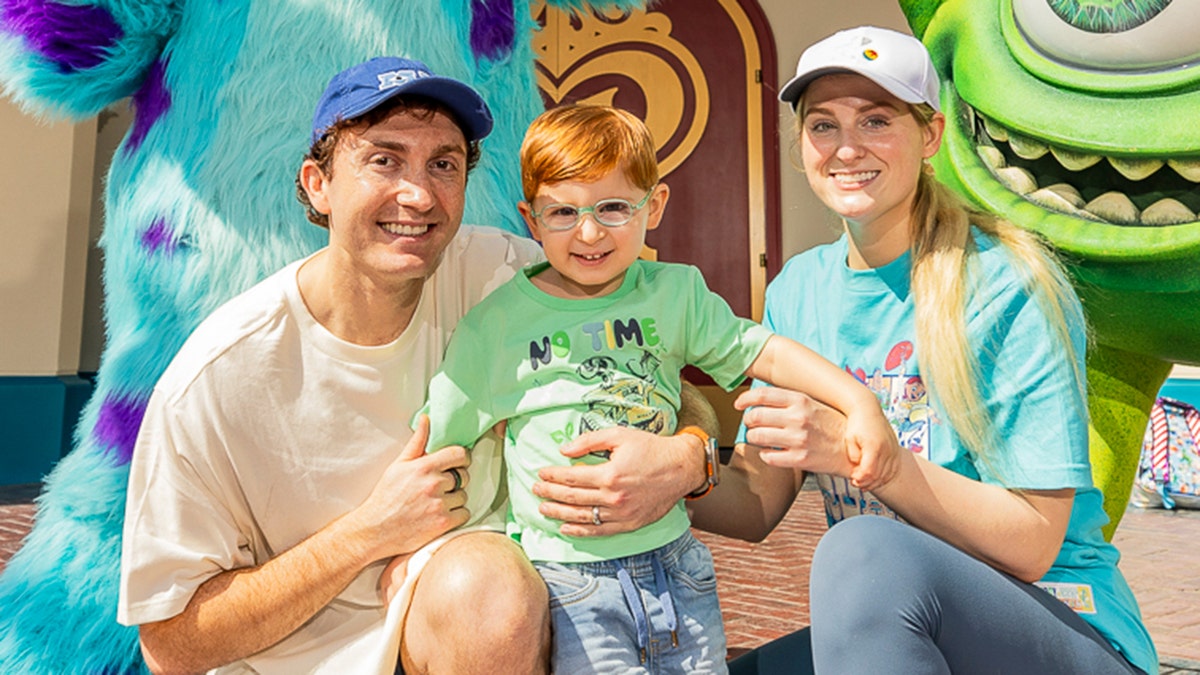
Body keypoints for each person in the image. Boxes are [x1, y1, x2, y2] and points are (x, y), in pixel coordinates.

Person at [116, 57, 713, 675]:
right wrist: (369, 532)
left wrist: (691, 454)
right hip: (289, 662)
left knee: (484, 590)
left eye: (443, 165)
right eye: (384, 159)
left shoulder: (508, 278)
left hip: (474, 632)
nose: (419, 194)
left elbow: (653, 362)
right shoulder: (216, 377)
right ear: (317, 183)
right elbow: (171, 645)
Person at [690, 26, 1158, 675]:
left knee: (863, 553)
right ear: (799, 145)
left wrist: (869, 459)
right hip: (904, 624)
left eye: (876, 119)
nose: (847, 147)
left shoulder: (1008, 285)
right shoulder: (798, 290)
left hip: (1066, 625)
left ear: (930, 135)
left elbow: (1031, 543)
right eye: (823, 125)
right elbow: (757, 502)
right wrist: (675, 468)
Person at [414, 103, 898, 673]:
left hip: (678, 569)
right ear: (531, 219)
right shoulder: (495, 326)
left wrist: (857, 401)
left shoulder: (676, 294)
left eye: (614, 207)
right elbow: (436, 443)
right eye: (563, 212)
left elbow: (761, 350)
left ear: (655, 205)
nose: (589, 232)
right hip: (568, 581)